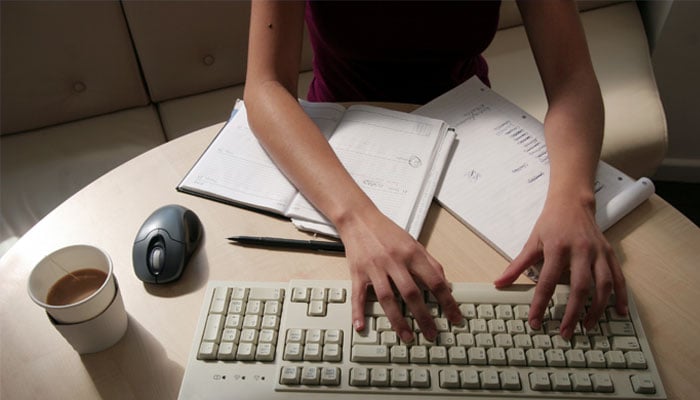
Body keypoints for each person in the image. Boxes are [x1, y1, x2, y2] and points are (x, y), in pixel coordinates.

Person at [243, 0, 628, 344]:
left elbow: (572, 79)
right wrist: (355, 219)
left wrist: (574, 198)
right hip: (343, 149)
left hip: (468, 141)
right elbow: (265, 85)